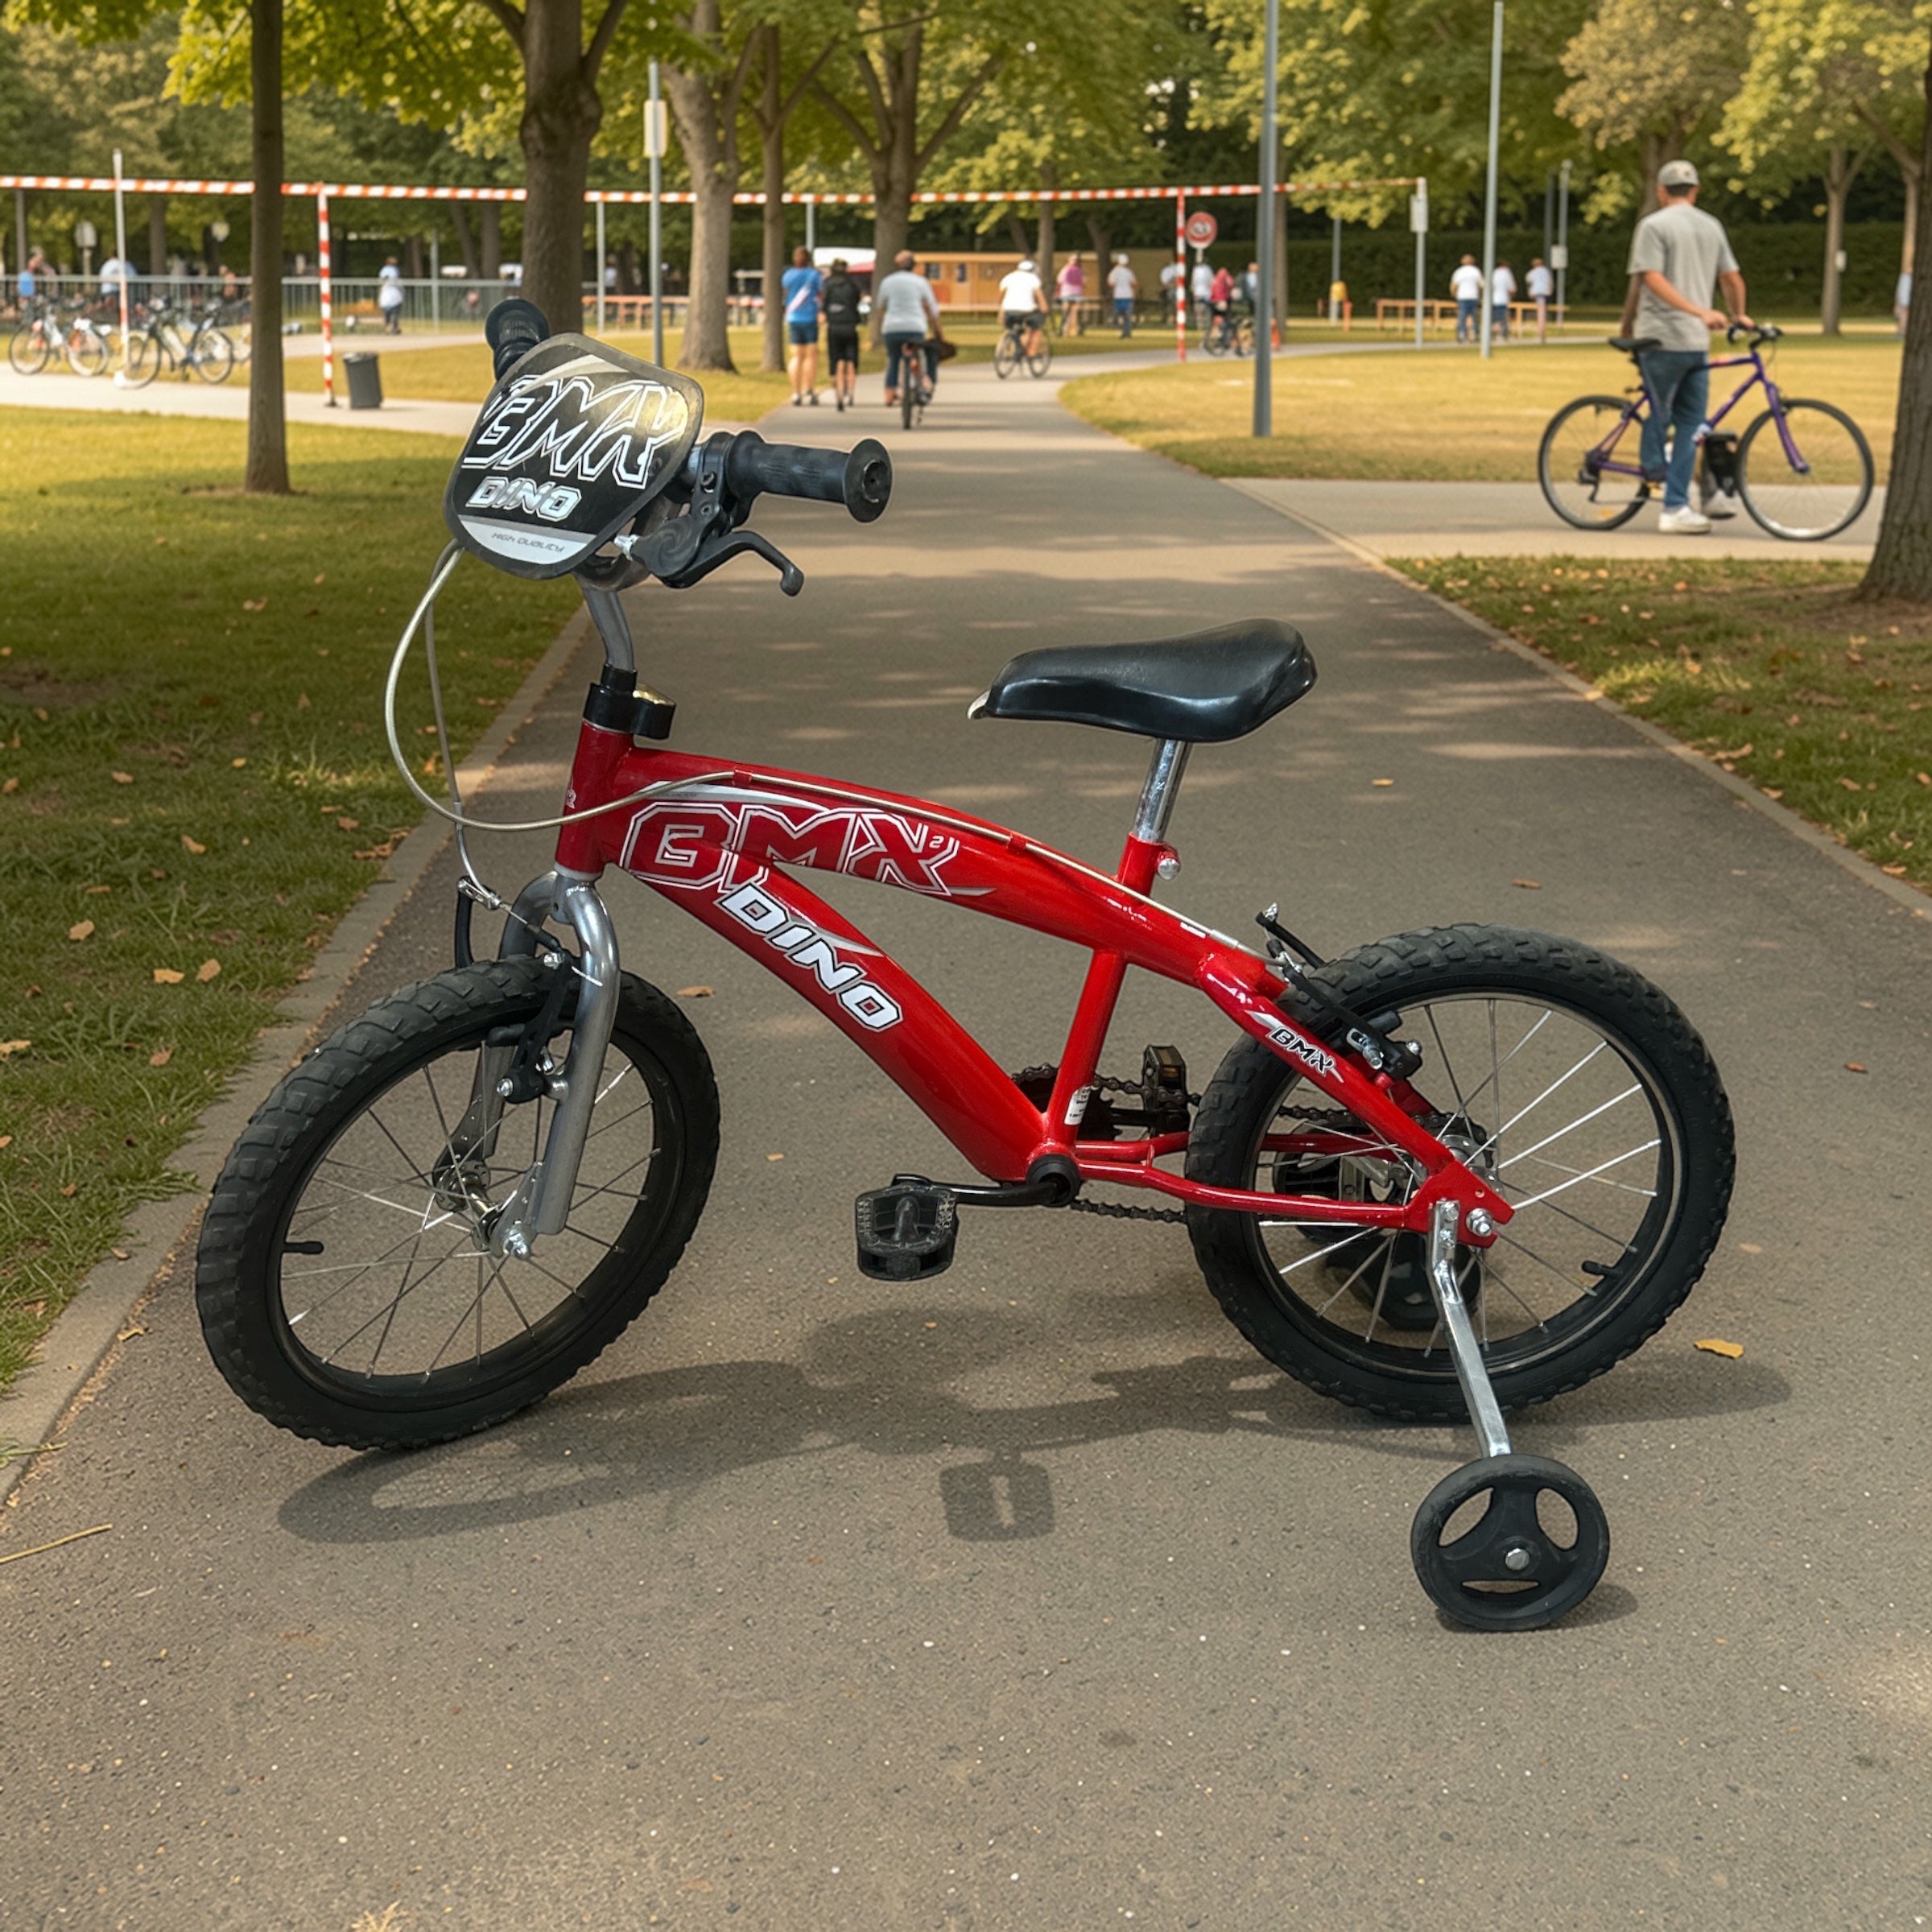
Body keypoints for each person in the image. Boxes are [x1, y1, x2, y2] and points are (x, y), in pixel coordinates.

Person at [1626, 158, 1752, 534]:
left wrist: (1699, 312)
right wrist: (1739, 314)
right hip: (1691, 338)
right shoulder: (1712, 226)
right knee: (1689, 424)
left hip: (1662, 335)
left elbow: (1649, 278)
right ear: (1695, 191)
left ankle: (1668, 489)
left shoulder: (1651, 226)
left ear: (1661, 192)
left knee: (1671, 414)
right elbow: (1731, 278)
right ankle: (1673, 502)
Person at [875, 249, 943, 407]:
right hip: (915, 327)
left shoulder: (887, 281)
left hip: (891, 328)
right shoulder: (921, 282)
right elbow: (933, 309)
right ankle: (923, 383)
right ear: (914, 265)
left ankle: (889, 395)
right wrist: (938, 332)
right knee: (918, 354)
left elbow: (880, 307)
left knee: (894, 360)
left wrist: (880, 328)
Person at [780, 244, 824, 405]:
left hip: (793, 318)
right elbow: (820, 294)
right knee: (810, 356)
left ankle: (795, 392)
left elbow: (785, 294)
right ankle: (809, 390)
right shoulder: (814, 275)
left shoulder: (788, 275)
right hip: (810, 317)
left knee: (796, 356)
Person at [821, 256, 864, 414]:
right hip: (850, 325)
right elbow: (857, 301)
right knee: (851, 361)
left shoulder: (828, 284)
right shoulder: (853, 284)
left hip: (834, 326)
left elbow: (824, 304)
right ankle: (850, 394)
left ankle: (838, 395)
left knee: (835, 361)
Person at [997, 256, 1046, 359]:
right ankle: (1031, 353)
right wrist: (1044, 309)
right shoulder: (1033, 279)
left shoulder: (1008, 277)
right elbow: (1039, 297)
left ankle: (1007, 351)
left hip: (1009, 310)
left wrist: (1001, 307)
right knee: (1033, 328)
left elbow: (1001, 296)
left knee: (1011, 329)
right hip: (1026, 310)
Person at [1451, 254, 1483, 342]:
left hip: (1462, 296)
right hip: (1473, 296)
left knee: (1462, 316)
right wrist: (1480, 295)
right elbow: (1481, 285)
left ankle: (1462, 333)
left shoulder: (1459, 272)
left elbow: (1454, 286)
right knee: (1475, 316)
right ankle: (1475, 333)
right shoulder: (1476, 271)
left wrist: (1454, 295)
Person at [1108, 253, 1137, 336]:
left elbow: (1111, 283)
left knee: (1117, 315)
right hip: (1128, 295)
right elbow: (1134, 283)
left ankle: (1119, 329)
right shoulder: (1129, 272)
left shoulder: (1114, 272)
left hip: (1118, 296)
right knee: (1127, 316)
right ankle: (1127, 333)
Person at [1055, 253, 1084, 336]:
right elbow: (1083, 282)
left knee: (1065, 312)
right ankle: (1076, 330)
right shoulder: (1080, 271)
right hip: (1077, 293)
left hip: (1066, 292)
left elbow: (1059, 280)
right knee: (1075, 312)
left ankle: (1063, 329)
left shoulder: (1065, 269)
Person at [1526, 256, 1554, 342]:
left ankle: (1540, 330)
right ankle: (1541, 329)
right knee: (1541, 311)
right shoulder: (1546, 272)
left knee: (1540, 312)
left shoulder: (1533, 272)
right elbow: (1550, 283)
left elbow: (1528, 280)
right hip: (1544, 293)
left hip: (1536, 293)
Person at [1208, 260, 1235, 347]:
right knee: (1226, 321)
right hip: (1222, 302)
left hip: (1213, 302)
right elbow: (1231, 284)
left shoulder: (1215, 280)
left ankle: (1211, 339)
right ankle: (1224, 339)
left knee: (1215, 321)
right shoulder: (1225, 279)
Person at [1490, 258, 1517, 341]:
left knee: (1493, 317)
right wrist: (1512, 295)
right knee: (1503, 317)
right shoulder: (1507, 273)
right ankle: (1503, 333)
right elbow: (1512, 288)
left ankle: (1492, 333)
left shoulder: (1493, 273)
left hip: (1492, 299)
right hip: (1503, 299)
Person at [378, 255, 404, 334]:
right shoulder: (394, 270)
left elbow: (381, 280)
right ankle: (393, 327)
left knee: (388, 313)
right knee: (394, 311)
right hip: (392, 293)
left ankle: (389, 327)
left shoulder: (384, 270)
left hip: (387, 294)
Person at [1897, 269, 1913, 336]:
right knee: (1904, 306)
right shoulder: (1906, 278)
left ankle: (1903, 328)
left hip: (1907, 276)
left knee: (1904, 307)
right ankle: (1902, 328)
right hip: (1907, 277)